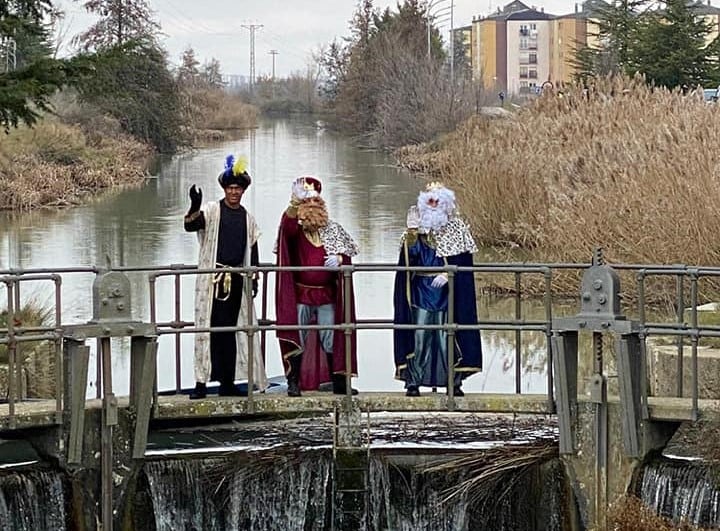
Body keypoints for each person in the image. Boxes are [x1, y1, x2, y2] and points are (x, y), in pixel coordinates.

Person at [184, 154, 268, 400]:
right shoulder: (211, 211)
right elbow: (191, 225)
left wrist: (254, 279)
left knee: (230, 331)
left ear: (243, 191)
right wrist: (193, 206)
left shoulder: (247, 218)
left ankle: (227, 383)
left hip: (236, 280)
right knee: (208, 330)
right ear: (224, 189)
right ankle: (201, 383)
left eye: (238, 189)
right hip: (213, 279)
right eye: (231, 188)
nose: (234, 192)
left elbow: (252, 250)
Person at [393, 182, 482, 397]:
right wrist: (412, 235)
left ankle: (453, 381)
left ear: (445, 203)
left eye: (437, 201)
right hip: (421, 292)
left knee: (446, 338)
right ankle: (413, 382)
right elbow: (408, 261)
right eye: (429, 201)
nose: (433, 205)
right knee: (420, 337)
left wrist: (449, 273)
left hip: (446, 295)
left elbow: (463, 263)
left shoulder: (456, 229)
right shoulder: (416, 230)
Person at [274, 176, 359, 397]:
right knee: (297, 336)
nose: (312, 207)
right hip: (302, 294)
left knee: (332, 336)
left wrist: (340, 260)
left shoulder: (333, 229)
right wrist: (293, 204)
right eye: (307, 202)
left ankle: (338, 381)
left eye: (316, 202)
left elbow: (348, 255)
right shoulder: (295, 229)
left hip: (326, 296)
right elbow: (286, 230)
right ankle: (294, 381)